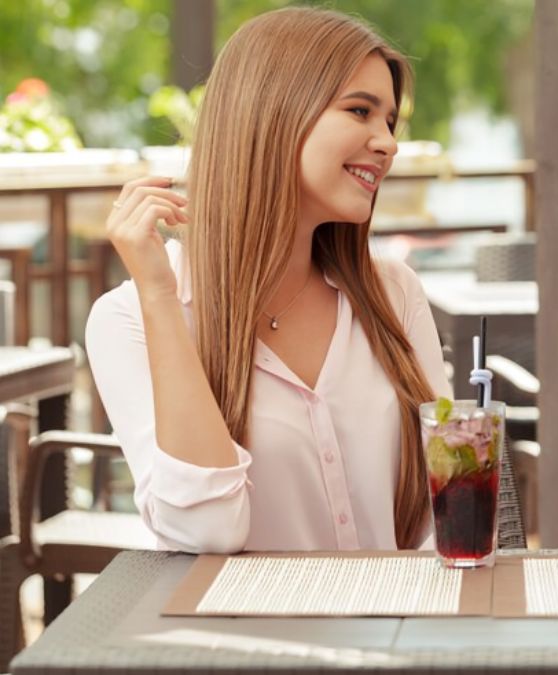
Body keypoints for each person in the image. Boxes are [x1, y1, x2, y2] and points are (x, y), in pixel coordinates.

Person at [87, 7, 451, 554]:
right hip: (247, 636)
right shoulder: (129, 319)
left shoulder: (394, 293)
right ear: (273, 114)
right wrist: (159, 295)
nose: (388, 143)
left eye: (390, 122)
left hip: (406, 628)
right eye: (360, 111)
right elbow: (207, 531)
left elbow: (451, 504)